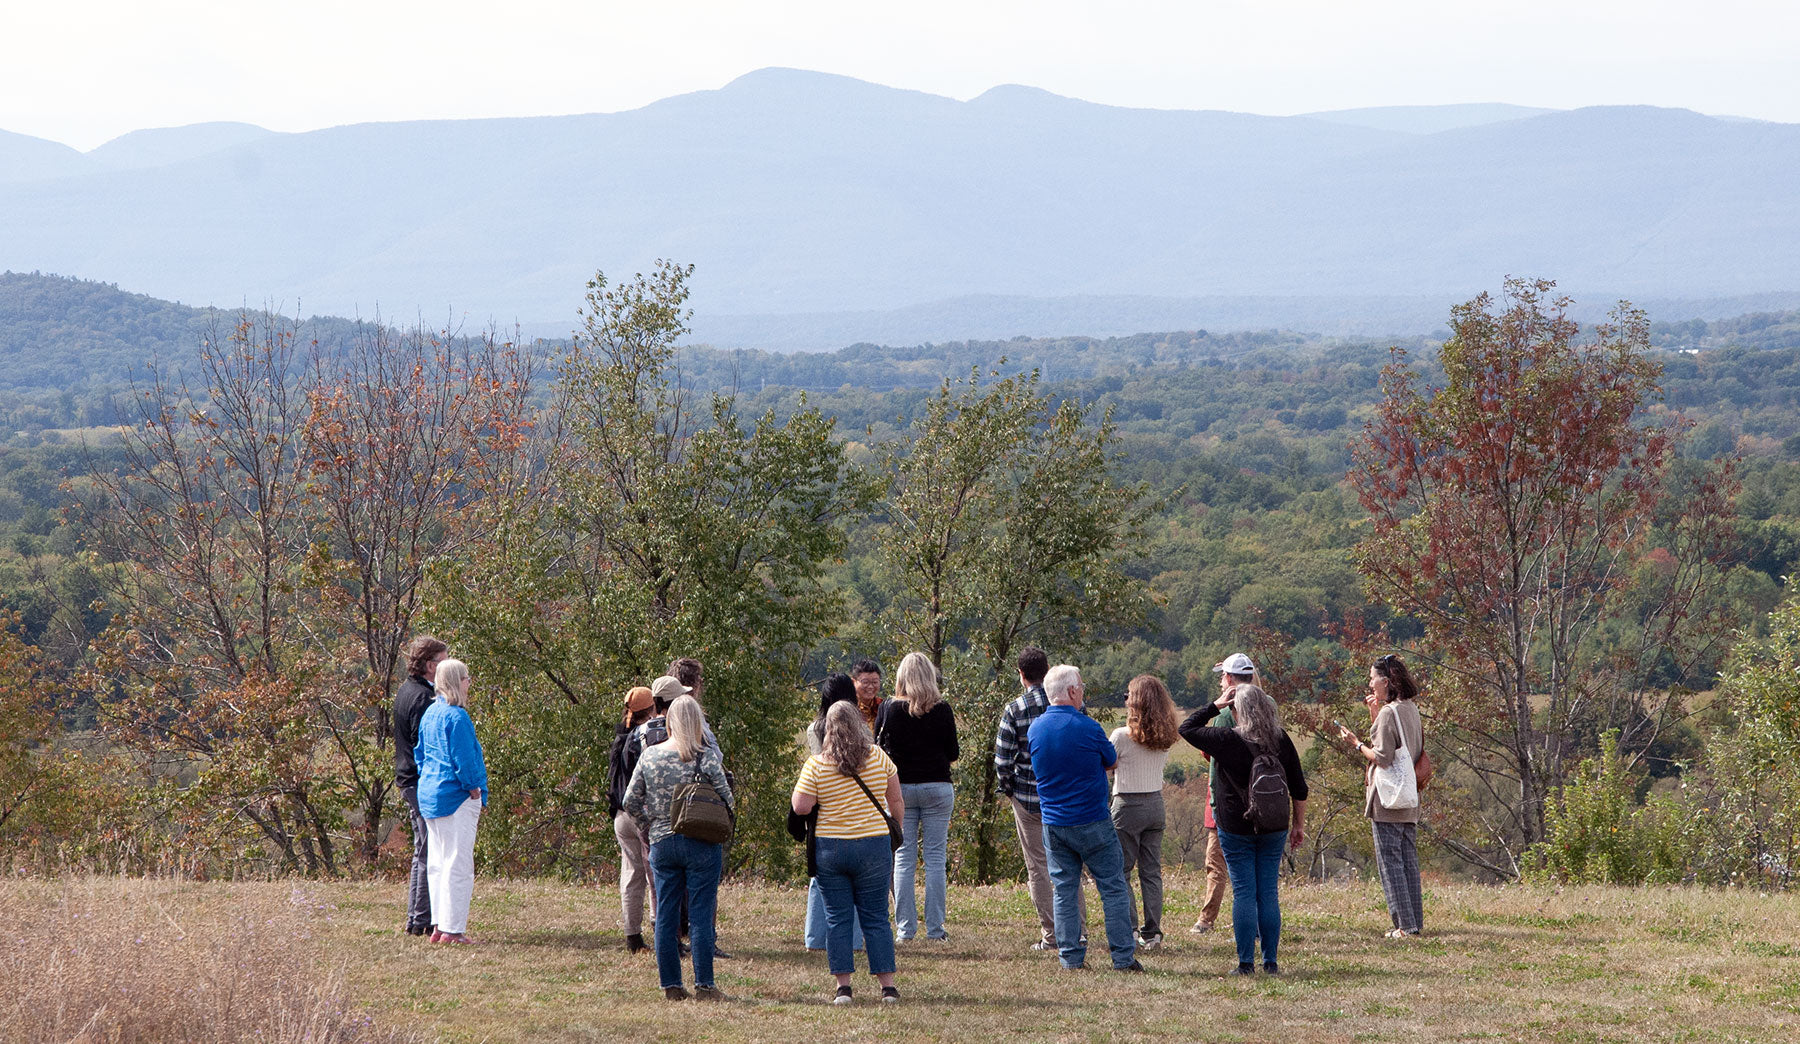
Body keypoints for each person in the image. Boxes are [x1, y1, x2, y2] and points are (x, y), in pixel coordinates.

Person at [1178, 683, 1308, 975]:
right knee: (1268, 893)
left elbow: (1186, 728)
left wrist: (1216, 704)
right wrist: (1298, 826)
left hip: (1235, 827)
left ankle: (1246, 963)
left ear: (1236, 710)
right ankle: (1271, 962)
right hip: (1274, 826)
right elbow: (1299, 789)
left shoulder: (1226, 738)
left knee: (1245, 892)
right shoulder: (1280, 740)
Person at [1028, 664, 1143, 973]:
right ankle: (1122, 957)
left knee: (1064, 888)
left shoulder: (1035, 729)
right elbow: (1111, 760)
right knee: (1112, 886)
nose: (1082, 692)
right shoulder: (1089, 727)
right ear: (1072, 691)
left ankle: (1070, 956)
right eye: (1080, 687)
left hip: (1054, 822)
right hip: (1092, 819)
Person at [791, 700, 903, 1005]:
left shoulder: (817, 763)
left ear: (828, 728)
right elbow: (895, 800)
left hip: (832, 847)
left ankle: (843, 987)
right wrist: (896, 833)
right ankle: (888, 987)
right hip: (874, 844)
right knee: (877, 917)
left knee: (838, 917)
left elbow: (800, 806)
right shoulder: (879, 757)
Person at [623, 695, 734, 1001]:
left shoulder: (650, 756)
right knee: (700, 914)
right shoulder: (706, 756)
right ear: (697, 722)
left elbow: (629, 801)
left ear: (668, 721)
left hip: (662, 841)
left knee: (667, 914)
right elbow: (728, 798)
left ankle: (671, 984)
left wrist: (649, 825)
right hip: (702, 842)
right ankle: (705, 985)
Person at [994, 645, 1079, 950]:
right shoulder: (1071, 704)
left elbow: (1003, 761)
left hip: (1028, 798)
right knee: (1068, 864)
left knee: (1038, 868)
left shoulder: (1014, 709)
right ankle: (1077, 929)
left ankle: (1053, 934)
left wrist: (1009, 789)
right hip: (1067, 796)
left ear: (1021, 675)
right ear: (1047, 671)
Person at [1338, 653, 1425, 939]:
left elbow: (1383, 756)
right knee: (1408, 860)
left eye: (1373, 677)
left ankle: (1403, 925)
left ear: (1386, 681)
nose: (1370, 682)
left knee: (1390, 863)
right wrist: (1375, 714)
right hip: (1408, 796)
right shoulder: (1409, 709)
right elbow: (1398, 744)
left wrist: (1355, 743)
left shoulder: (1390, 713)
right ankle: (1414, 922)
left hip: (1387, 800)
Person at [875, 651, 959, 942]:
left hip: (900, 788)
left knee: (903, 857)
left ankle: (905, 929)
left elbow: (878, 749)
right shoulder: (943, 709)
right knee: (936, 858)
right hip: (937, 786)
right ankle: (936, 930)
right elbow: (953, 753)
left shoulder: (888, 708)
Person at [415, 657, 487, 945]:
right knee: (458, 864)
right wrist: (473, 788)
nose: (469, 682)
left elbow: (420, 754)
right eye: (466, 677)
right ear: (457, 681)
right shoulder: (457, 717)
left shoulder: (430, 713)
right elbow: (464, 759)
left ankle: (438, 925)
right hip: (455, 795)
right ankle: (453, 929)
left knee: (438, 862)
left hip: (430, 794)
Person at [1110, 675, 1178, 950]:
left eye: (1128, 695)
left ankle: (1131, 929)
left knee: (1122, 870)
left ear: (1135, 702)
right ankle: (1154, 933)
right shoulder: (1165, 737)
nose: (1125, 700)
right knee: (1151, 872)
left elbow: (1107, 765)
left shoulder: (1121, 736)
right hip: (1155, 804)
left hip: (1127, 804)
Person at [804, 673, 865, 952]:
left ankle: (815, 937)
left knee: (820, 875)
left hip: (821, 804)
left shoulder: (814, 729)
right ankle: (853, 939)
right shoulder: (862, 730)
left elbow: (820, 762)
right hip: (853, 805)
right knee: (855, 879)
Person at [1191, 653, 1251, 935]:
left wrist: (1213, 709)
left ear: (1229, 679)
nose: (1219, 681)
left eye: (1222, 676)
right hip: (1259, 797)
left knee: (1215, 862)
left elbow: (1205, 748)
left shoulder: (1224, 714)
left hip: (1223, 800)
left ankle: (1206, 919)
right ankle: (1255, 919)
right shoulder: (1267, 705)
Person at [393, 634, 448, 937]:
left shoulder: (405, 690)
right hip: (418, 780)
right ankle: (420, 919)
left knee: (422, 850)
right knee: (428, 850)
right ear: (429, 665)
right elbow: (423, 744)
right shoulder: (423, 698)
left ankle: (418, 917)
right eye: (443, 661)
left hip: (407, 776)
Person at [608, 685, 657, 953]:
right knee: (655, 874)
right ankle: (661, 930)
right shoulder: (646, 739)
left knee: (631, 874)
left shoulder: (620, 739)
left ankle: (632, 937)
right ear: (651, 709)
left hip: (620, 815)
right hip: (640, 814)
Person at [850, 659, 884, 729]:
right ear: (853, 682)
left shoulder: (883, 706)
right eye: (865, 682)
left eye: (875, 682)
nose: (870, 687)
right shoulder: (848, 708)